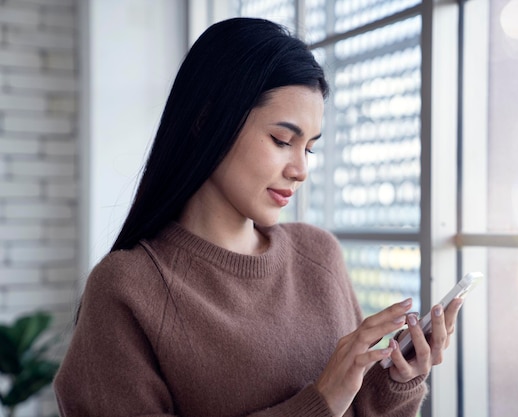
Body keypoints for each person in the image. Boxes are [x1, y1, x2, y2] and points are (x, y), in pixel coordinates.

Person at [53, 17, 464, 417]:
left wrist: (394, 382)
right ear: (207, 121)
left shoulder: (318, 254)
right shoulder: (126, 288)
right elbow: (331, 402)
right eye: (282, 140)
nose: (300, 170)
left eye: (309, 148)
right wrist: (320, 403)